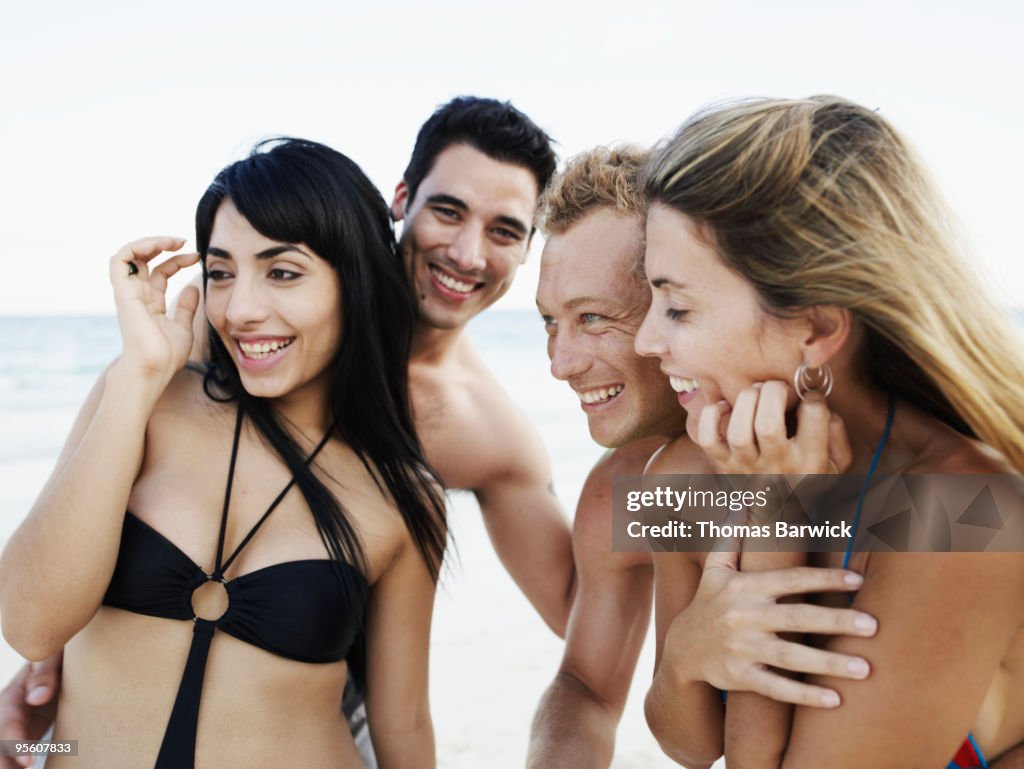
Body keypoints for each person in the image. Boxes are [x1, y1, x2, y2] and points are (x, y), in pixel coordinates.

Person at [0, 96, 569, 767]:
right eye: (448, 211)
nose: (467, 252)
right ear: (401, 201)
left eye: (504, 230)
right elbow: (40, 616)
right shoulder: (182, 371)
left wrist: (693, 482)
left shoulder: (475, 435)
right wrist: (57, 683)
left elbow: (582, 611)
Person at [635, 96, 1024, 768]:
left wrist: (774, 524)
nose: (646, 339)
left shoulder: (966, 508)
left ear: (815, 328)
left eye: (676, 307)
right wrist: (685, 652)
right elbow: (686, 741)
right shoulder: (683, 477)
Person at [529, 145, 889, 768]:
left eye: (593, 317)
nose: (560, 364)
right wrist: (686, 656)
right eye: (548, 324)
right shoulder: (639, 488)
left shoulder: (908, 464)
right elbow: (608, 698)